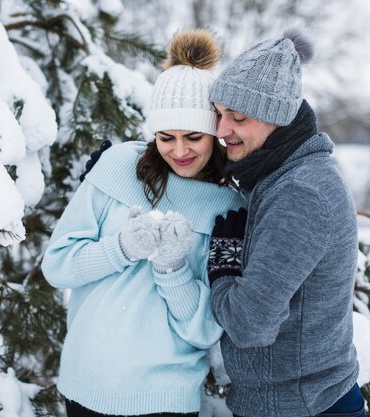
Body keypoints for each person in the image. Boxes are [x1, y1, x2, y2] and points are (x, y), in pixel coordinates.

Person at [41, 29, 245, 417]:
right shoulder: (117, 166)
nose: (180, 151)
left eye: (194, 137)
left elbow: (203, 330)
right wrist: (121, 248)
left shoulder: (229, 210)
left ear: (216, 135)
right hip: (85, 384)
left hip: (164, 397)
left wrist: (172, 267)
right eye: (166, 137)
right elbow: (58, 266)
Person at [206, 30, 365, 417]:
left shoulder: (300, 193)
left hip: (301, 407)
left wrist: (224, 267)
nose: (221, 131)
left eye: (238, 118)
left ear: (277, 118)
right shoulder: (281, 174)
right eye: (219, 113)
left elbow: (249, 325)